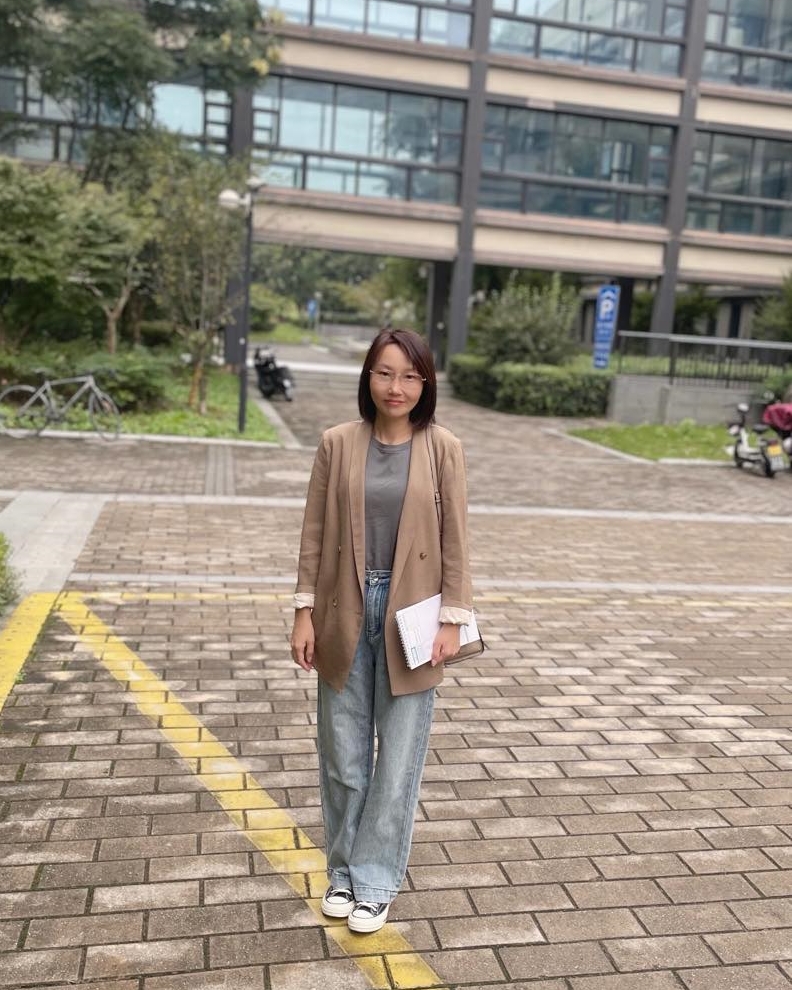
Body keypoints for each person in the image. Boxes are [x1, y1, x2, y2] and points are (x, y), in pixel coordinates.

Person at [290, 327, 473, 934]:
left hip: (412, 614)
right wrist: (303, 612)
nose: (397, 387)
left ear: (426, 383)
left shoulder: (442, 447)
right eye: (385, 373)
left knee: (397, 759)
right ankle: (342, 872)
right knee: (343, 756)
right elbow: (314, 533)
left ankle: (374, 882)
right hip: (343, 605)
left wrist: (452, 618)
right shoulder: (337, 443)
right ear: (368, 377)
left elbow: (456, 541)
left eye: (410, 376)